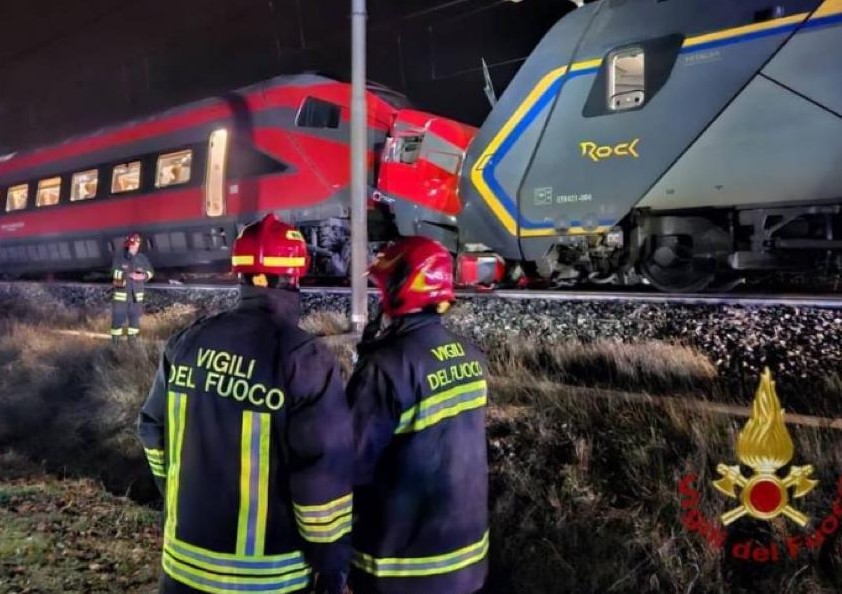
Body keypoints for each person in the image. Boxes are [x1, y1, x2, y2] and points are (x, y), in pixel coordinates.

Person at [136, 214, 353, 594]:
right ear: (296, 276)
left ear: (238, 274)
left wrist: (174, 494)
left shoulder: (186, 342)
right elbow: (322, 478)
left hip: (182, 568)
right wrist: (331, 565)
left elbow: (151, 431)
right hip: (269, 578)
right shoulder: (304, 358)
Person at [345, 236, 490, 594]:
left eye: (382, 289)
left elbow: (349, 464)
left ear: (398, 290)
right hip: (467, 562)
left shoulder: (386, 368)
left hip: (404, 570)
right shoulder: (472, 356)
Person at [111, 232, 154, 342]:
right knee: (117, 322)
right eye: (134, 243)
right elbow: (114, 273)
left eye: (138, 243)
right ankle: (115, 345)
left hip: (136, 298)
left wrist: (143, 276)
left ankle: (132, 345)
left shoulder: (142, 259)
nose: (136, 246)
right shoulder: (120, 258)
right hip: (121, 298)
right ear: (129, 244)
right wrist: (129, 275)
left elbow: (151, 272)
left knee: (134, 324)